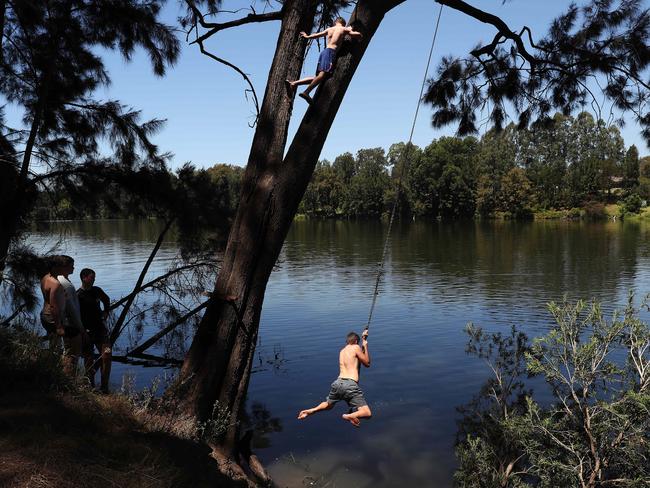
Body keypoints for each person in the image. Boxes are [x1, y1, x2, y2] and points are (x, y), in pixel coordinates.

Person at [298, 329, 372, 427]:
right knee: (367, 413)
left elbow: (356, 360)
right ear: (355, 342)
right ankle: (350, 416)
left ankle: (312, 410)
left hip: (338, 383)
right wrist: (365, 345)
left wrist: (363, 339)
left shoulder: (342, 351)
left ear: (347, 342)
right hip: (350, 384)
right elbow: (367, 363)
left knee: (329, 404)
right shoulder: (355, 347)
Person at [285, 17, 363, 104]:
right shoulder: (343, 29)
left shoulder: (329, 29)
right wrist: (359, 34)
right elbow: (355, 35)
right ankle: (306, 92)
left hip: (324, 52)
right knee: (322, 75)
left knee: (318, 77)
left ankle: (294, 83)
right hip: (331, 53)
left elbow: (317, 35)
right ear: (343, 23)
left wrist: (307, 36)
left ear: (335, 22)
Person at [40, 255, 82, 376]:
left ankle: (52, 373)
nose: (72, 268)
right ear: (56, 267)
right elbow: (54, 306)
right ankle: (67, 378)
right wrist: (59, 326)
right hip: (53, 318)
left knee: (55, 347)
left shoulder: (45, 278)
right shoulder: (56, 284)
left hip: (44, 316)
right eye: (63, 266)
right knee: (73, 348)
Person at [77, 268, 112, 393]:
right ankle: (89, 386)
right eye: (92, 277)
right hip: (86, 332)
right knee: (88, 358)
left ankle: (104, 387)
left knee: (107, 354)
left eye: (95, 278)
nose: (94, 280)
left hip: (100, 329)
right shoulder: (78, 295)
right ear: (84, 278)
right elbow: (74, 315)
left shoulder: (97, 290)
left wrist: (106, 311)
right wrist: (82, 331)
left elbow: (106, 300)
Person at [56, 255, 89, 376]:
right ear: (64, 267)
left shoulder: (58, 279)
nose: (74, 268)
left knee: (69, 352)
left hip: (65, 322)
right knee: (72, 354)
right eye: (71, 265)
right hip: (71, 324)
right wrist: (81, 328)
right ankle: (68, 381)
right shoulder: (66, 285)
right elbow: (72, 309)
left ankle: (66, 379)